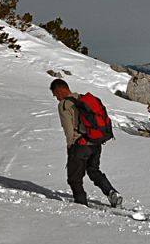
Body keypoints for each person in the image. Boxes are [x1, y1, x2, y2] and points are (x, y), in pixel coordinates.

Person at [50, 79, 122, 208]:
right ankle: (112, 193)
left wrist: (70, 145)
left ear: (60, 90)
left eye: (55, 94)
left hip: (80, 145)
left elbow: (68, 129)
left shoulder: (64, 104)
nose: (56, 98)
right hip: (95, 143)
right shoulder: (83, 99)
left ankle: (81, 205)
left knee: (74, 178)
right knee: (94, 171)